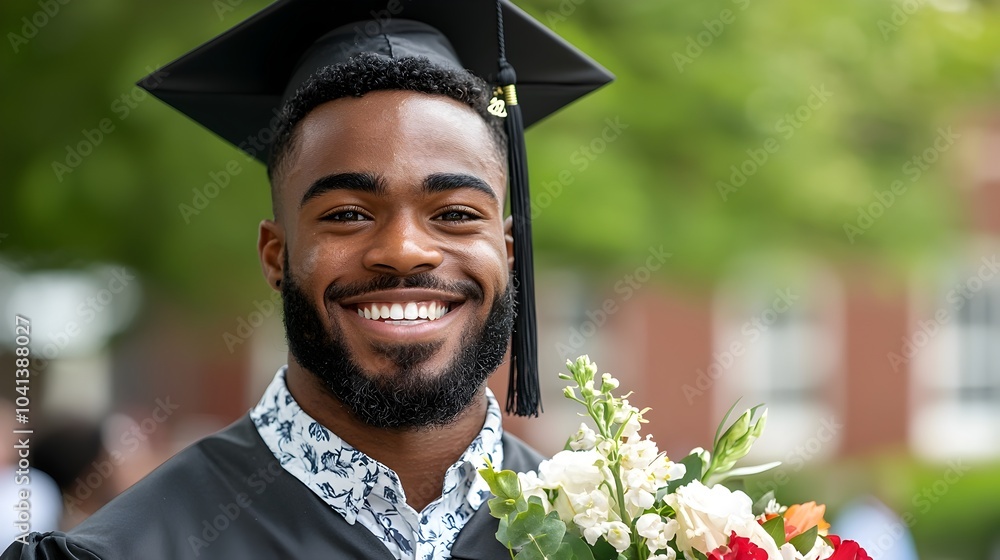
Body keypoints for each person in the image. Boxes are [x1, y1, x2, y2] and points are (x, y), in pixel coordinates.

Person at [2, 1, 611, 558]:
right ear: (275, 254)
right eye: (347, 214)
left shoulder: (617, 531)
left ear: (506, 251)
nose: (403, 251)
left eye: (454, 214)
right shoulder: (129, 550)